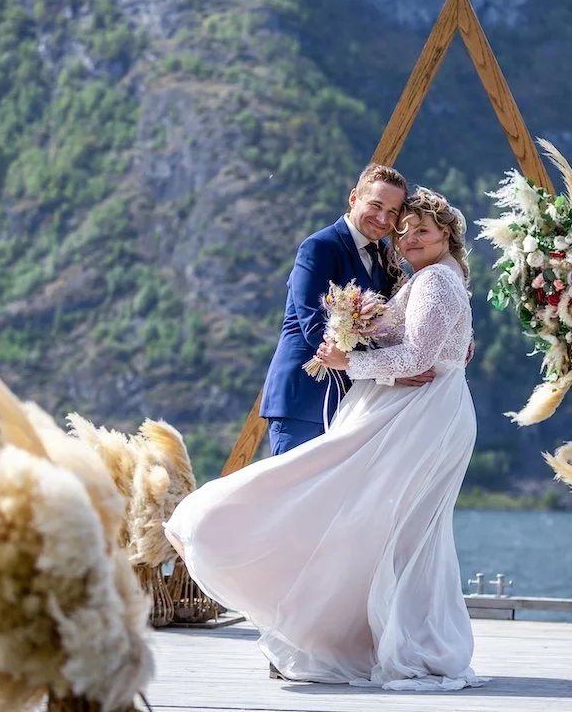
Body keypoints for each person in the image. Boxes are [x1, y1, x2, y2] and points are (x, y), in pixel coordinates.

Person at [165, 188, 487, 691]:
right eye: (403, 233)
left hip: (419, 414)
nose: (407, 239)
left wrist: (347, 359)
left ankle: (343, 634)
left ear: (447, 233)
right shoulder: (426, 275)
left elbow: (416, 360)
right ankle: (348, 632)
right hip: (406, 409)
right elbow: (427, 344)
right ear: (355, 199)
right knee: (375, 524)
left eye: (421, 230)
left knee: (364, 519)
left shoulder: (435, 282)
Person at [258, 164, 434, 456]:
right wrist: (387, 373)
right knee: (291, 498)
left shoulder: (384, 258)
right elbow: (314, 327)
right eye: (376, 205)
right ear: (354, 198)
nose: (382, 218)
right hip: (305, 398)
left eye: (392, 212)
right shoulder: (319, 247)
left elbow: (398, 321)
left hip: (352, 404)